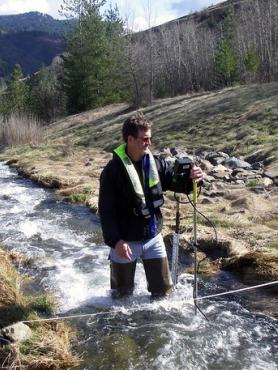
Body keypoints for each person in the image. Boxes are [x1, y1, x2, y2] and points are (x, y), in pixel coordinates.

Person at [98, 113, 203, 299]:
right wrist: (116, 241)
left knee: (163, 293)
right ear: (130, 139)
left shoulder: (155, 163)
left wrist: (193, 179)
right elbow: (106, 212)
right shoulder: (112, 171)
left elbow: (176, 183)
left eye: (150, 138)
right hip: (125, 241)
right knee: (120, 297)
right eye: (145, 139)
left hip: (153, 237)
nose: (149, 143)